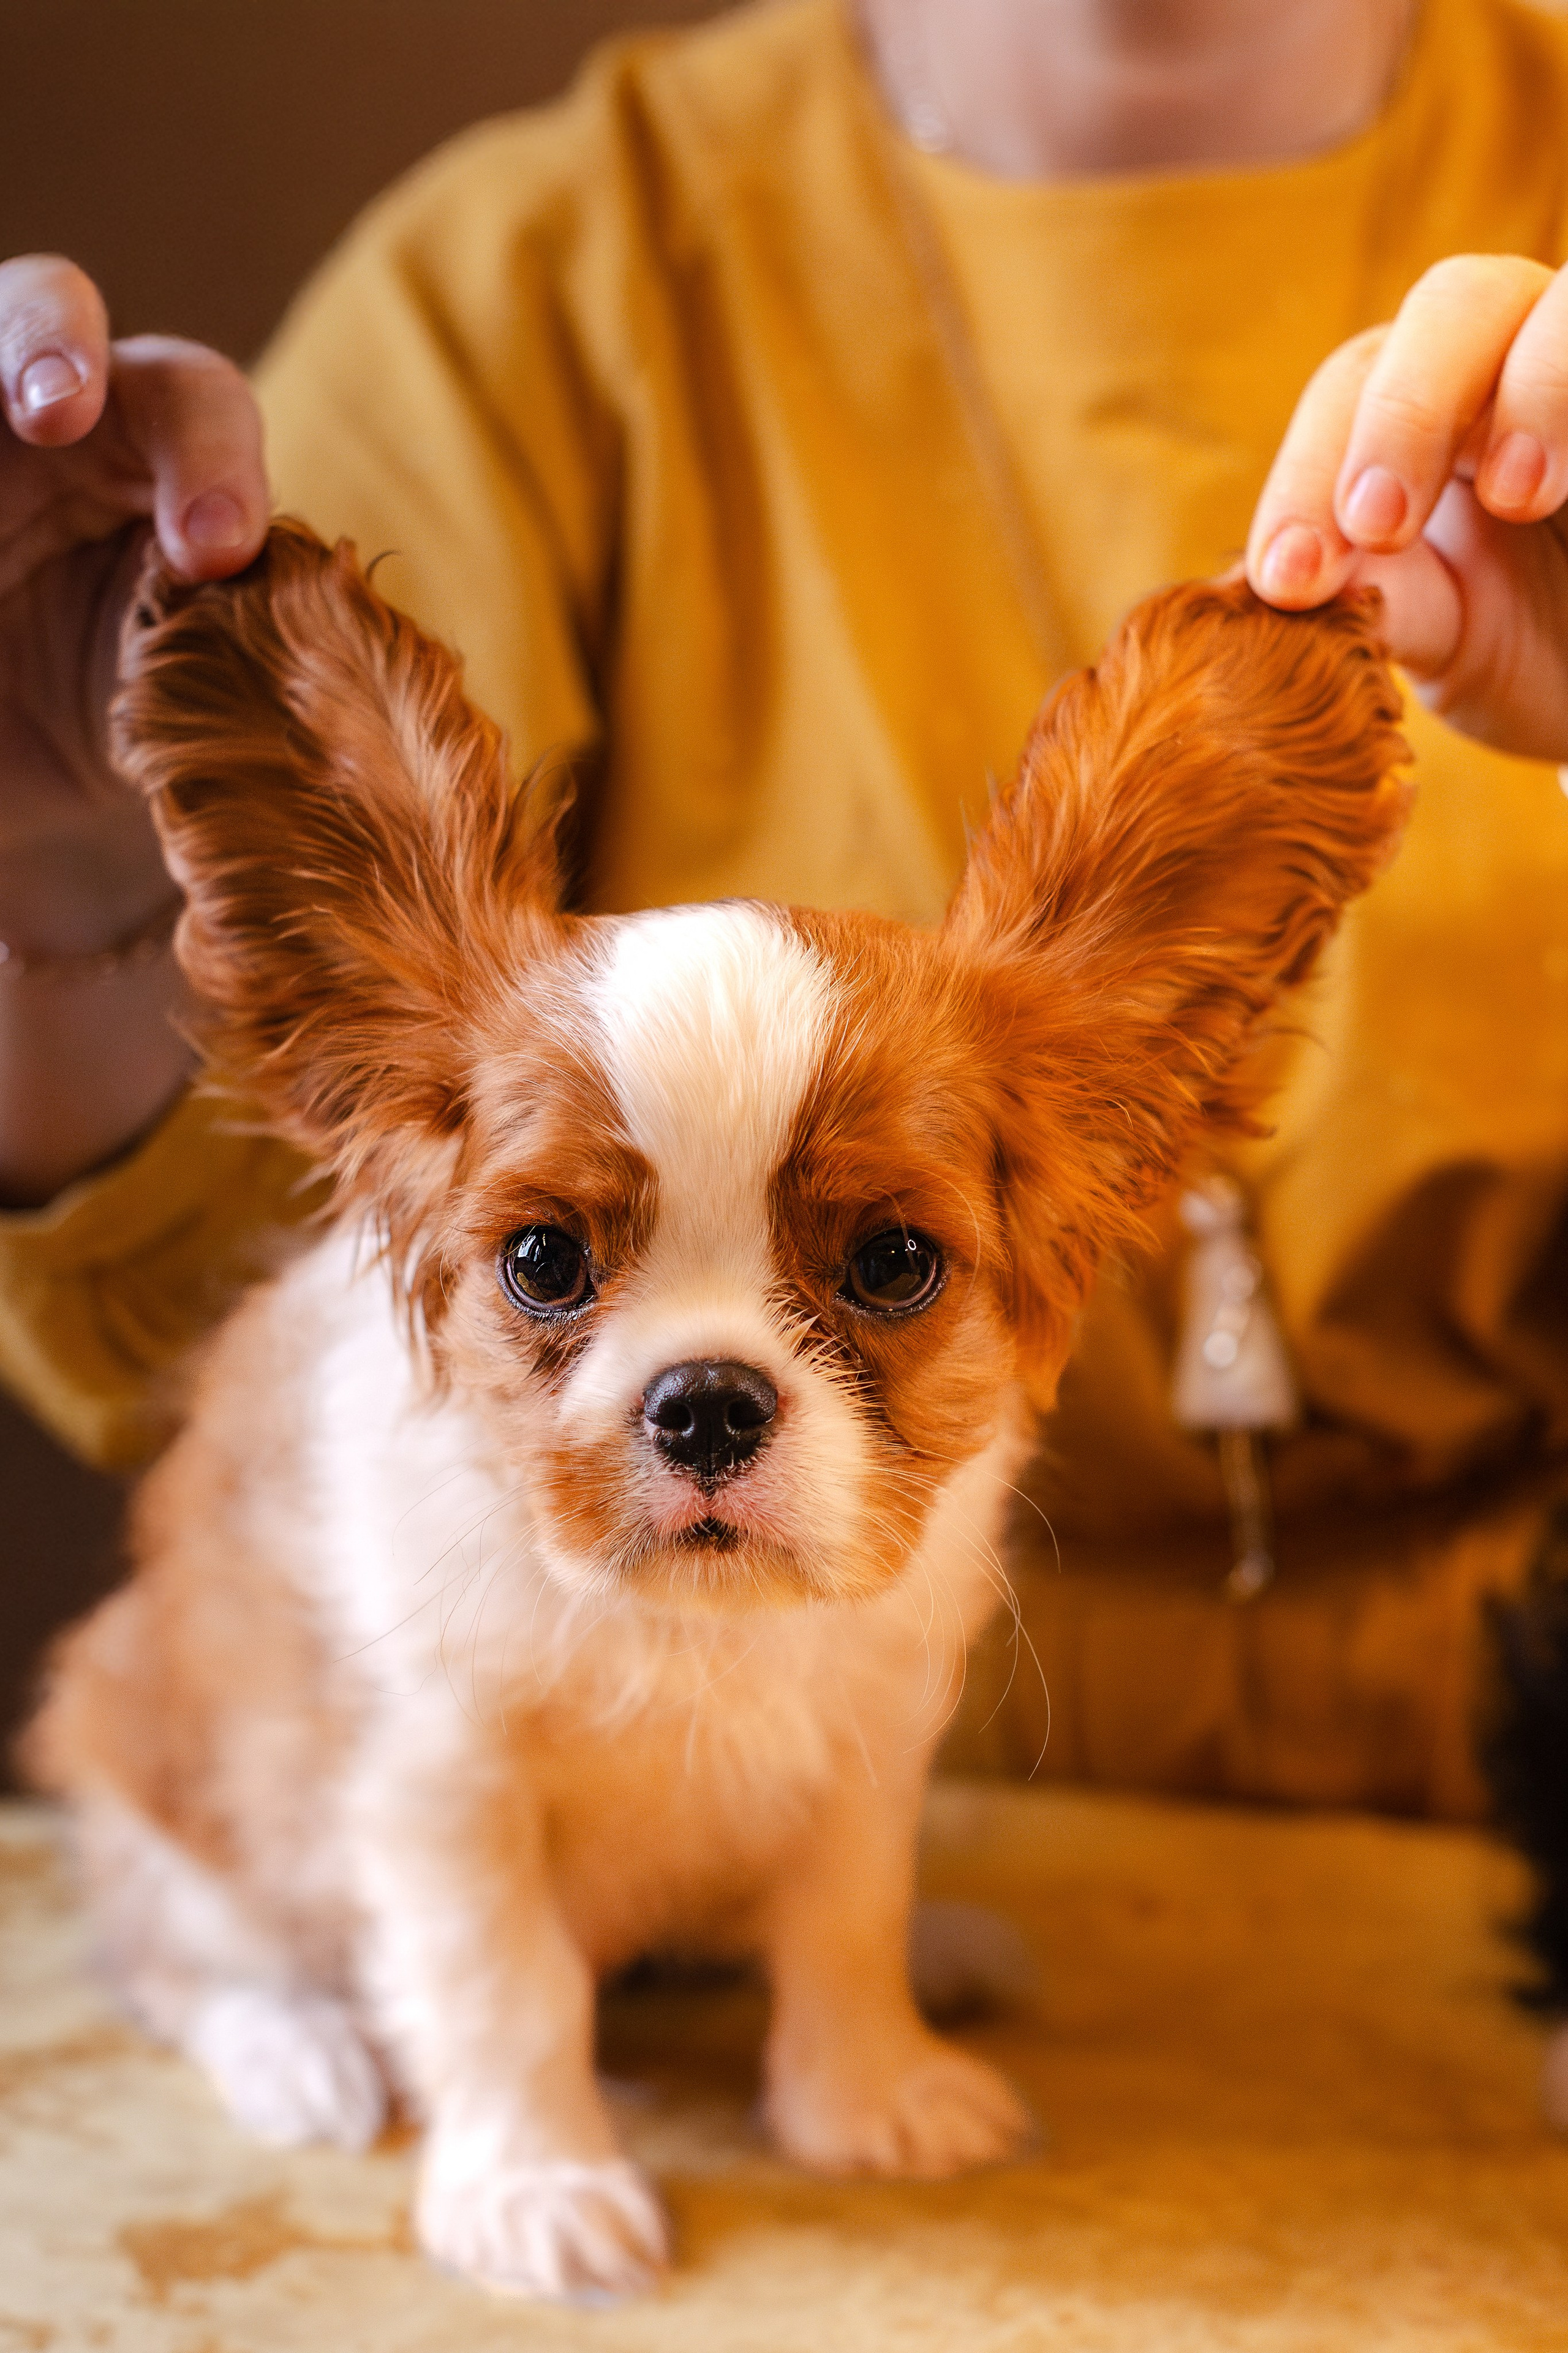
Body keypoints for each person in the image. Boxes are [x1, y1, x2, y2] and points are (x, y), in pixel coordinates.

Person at [2, 0, 1567, 1825]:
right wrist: (64, 860)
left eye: (886, 1261)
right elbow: (257, 1358)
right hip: (702, 1808)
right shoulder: (525, 293)